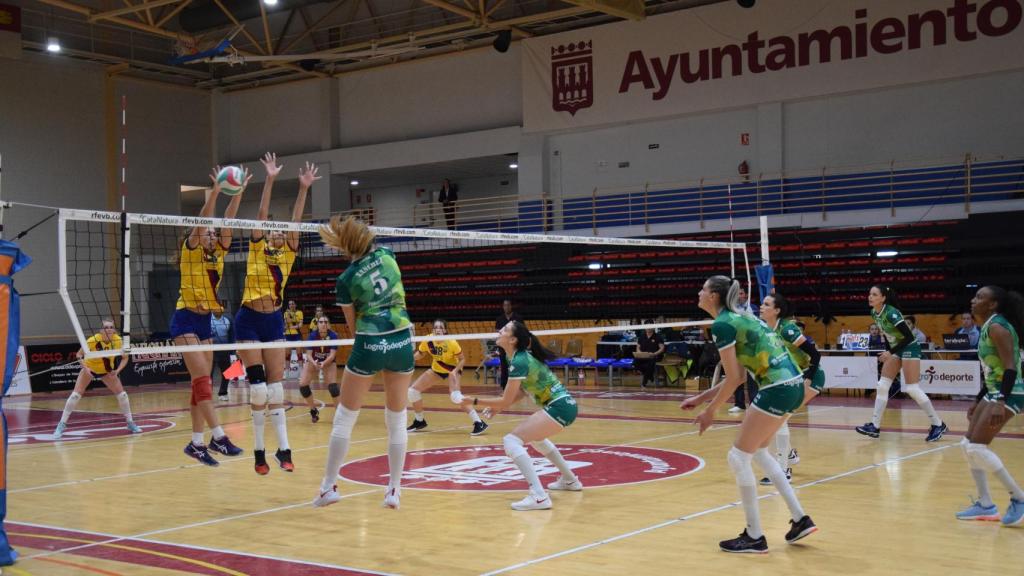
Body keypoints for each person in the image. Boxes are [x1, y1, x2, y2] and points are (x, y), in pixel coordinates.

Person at [681, 276, 816, 553]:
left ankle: (754, 536)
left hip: (776, 388)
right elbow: (740, 375)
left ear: (714, 296)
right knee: (759, 453)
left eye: (703, 289)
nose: (699, 292)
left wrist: (710, 412)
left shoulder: (722, 325)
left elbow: (733, 379)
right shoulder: (742, 318)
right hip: (792, 385)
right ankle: (800, 519)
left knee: (737, 457)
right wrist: (701, 397)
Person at [313, 215, 414, 510]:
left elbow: (352, 325)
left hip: (371, 340)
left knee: (345, 418)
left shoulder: (345, 279)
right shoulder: (388, 255)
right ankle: (394, 490)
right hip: (402, 339)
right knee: (397, 419)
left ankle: (328, 486)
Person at [236, 154, 318, 475]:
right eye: (274, 231)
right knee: (257, 390)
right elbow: (260, 213)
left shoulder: (288, 253)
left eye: (282, 233)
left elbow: (296, 220)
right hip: (248, 319)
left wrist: (303, 188)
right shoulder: (257, 245)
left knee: (275, 390)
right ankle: (259, 450)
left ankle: (284, 450)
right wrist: (269, 179)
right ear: (267, 233)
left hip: (273, 321)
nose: (278, 234)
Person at [460, 321, 581, 510]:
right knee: (537, 439)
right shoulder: (516, 357)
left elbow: (505, 399)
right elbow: (523, 391)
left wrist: (472, 401)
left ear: (513, 339)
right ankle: (570, 480)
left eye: (505, 329)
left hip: (559, 406)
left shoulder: (519, 360)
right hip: (564, 406)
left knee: (511, 441)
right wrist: (499, 407)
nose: (500, 331)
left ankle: (539, 496)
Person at [174, 166, 247, 466]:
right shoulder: (190, 249)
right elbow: (205, 219)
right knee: (203, 380)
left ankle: (196, 443)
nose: (212, 234)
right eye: (208, 232)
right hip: (184, 319)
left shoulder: (218, 253)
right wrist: (215, 190)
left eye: (214, 234)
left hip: (204, 320)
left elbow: (228, 220)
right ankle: (218, 436)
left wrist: (237, 192)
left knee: (199, 383)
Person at [954, 286, 1024, 526]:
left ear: (993, 304)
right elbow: (991, 371)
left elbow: (1010, 367)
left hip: (1011, 392)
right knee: (967, 445)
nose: (973, 301)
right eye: (974, 296)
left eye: (980, 297)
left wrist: (1001, 401)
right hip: (995, 390)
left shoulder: (998, 327)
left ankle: (1019, 498)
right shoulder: (988, 325)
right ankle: (985, 504)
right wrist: (977, 399)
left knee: (977, 448)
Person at [855, 285, 947, 441]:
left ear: (883, 298)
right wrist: (888, 352)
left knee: (912, 388)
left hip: (910, 347)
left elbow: (909, 338)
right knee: (882, 385)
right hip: (897, 349)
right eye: (870, 294)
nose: (870, 297)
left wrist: (889, 353)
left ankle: (938, 424)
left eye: (874, 294)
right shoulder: (874, 313)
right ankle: (875, 426)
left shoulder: (891, 313)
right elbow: (889, 337)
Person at [756, 293, 825, 484]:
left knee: (780, 419)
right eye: (762, 303)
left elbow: (815, 354)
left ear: (777, 311)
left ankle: (783, 470)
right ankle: (789, 454)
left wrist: (808, 379)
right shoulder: (765, 329)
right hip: (790, 378)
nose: (761, 306)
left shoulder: (787, 330)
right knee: (779, 419)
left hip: (810, 375)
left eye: (766, 304)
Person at [53, 320, 141, 439]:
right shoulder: (93, 340)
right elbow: (79, 355)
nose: (109, 329)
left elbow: (125, 358)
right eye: (106, 327)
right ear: (101, 330)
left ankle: (130, 423)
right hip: (90, 368)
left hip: (106, 371)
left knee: (123, 395)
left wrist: (117, 371)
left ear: (114, 330)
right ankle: (61, 425)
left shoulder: (118, 340)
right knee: (75, 395)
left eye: (111, 327)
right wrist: (86, 368)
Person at [406, 319, 487, 435]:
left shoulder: (451, 342)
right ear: (433, 330)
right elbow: (421, 353)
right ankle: (419, 421)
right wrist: (410, 358)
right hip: (437, 369)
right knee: (412, 391)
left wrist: (455, 371)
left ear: (444, 330)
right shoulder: (428, 340)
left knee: (455, 396)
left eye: (440, 328)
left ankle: (479, 422)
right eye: (436, 327)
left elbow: (463, 359)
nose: (438, 330)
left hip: (452, 368)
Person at [299, 317, 338, 423]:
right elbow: (308, 354)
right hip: (314, 360)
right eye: (321, 322)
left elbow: (332, 355)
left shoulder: (333, 335)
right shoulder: (312, 336)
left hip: (328, 361)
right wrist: (314, 363)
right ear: (318, 324)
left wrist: (324, 363)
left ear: (328, 324)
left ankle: (339, 413)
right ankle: (313, 409)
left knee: (334, 388)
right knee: (303, 385)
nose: (324, 324)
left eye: (326, 322)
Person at [494, 299, 524, 389]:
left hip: (515, 346)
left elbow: (522, 330)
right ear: (503, 307)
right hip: (504, 346)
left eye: (508, 305)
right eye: (505, 305)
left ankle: (519, 385)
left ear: (511, 306)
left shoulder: (518, 318)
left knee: (516, 365)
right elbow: (497, 332)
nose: (506, 307)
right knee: (504, 366)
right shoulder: (499, 319)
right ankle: (504, 385)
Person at [211, 302, 234, 401]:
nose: (217, 310)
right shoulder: (207, 320)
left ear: (222, 310)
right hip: (210, 350)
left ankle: (223, 393)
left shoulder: (228, 320)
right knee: (208, 373)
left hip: (224, 350)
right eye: (215, 308)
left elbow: (232, 336)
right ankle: (207, 393)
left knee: (227, 373)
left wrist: (233, 352)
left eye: (219, 308)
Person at [633, 321, 665, 388]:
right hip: (644, 356)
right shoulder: (642, 337)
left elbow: (662, 348)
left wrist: (654, 354)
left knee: (650, 364)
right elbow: (638, 347)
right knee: (635, 362)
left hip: (655, 356)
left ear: (653, 327)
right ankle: (650, 376)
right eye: (647, 326)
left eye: (650, 326)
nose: (648, 328)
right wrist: (640, 353)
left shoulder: (657, 336)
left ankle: (644, 382)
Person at [283, 300, 304, 371]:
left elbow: (300, 325)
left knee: (299, 353)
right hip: (288, 334)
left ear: (295, 305)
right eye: (289, 304)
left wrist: (294, 326)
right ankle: (287, 373)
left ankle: (301, 373)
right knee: (287, 354)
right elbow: (287, 323)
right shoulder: (286, 313)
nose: (291, 305)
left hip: (297, 334)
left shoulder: (299, 312)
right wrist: (289, 315)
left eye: (292, 304)